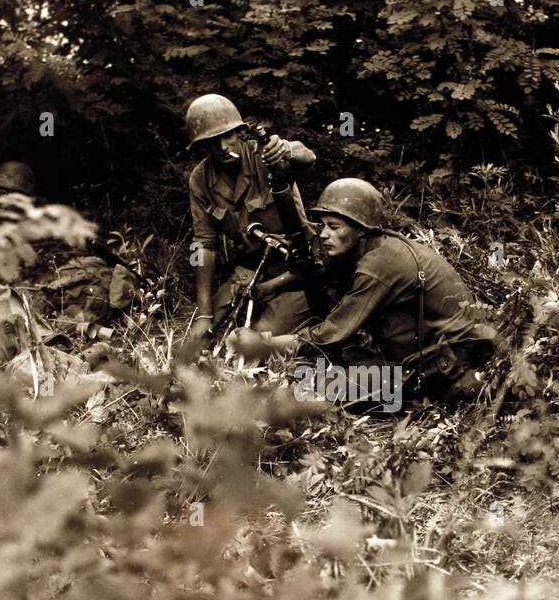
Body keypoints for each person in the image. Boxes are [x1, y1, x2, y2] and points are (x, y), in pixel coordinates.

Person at [237, 178, 501, 408]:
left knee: (307, 386)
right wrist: (270, 287)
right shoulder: (380, 247)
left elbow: (330, 335)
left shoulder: (378, 266)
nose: (324, 235)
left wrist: (264, 342)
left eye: (334, 226)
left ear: (360, 229)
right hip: (424, 356)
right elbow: (321, 271)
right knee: (315, 368)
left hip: (436, 368)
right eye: (322, 225)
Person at [184, 94, 315, 339]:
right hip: (250, 269)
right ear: (202, 146)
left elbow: (307, 158)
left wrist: (285, 149)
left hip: (295, 270)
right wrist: (204, 313)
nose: (223, 147)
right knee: (196, 340)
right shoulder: (200, 179)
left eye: (228, 136)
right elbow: (204, 245)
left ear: (239, 133)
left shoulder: (264, 156)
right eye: (213, 142)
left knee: (256, 339)